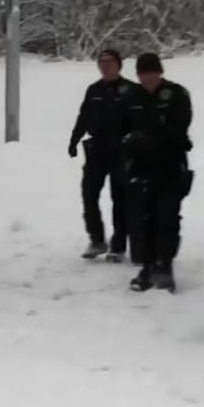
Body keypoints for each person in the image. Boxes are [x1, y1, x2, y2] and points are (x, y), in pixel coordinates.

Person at [120, 53, 193, 293]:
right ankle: (147, 267)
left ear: (159, 72)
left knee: (167, 217)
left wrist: (148, 140)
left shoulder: (176, 94)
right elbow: (122, 129)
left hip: (171, 166)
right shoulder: (131, 97)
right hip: (141, 168)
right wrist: (129, 147)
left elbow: (178, 129)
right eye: (143, 73)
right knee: (144, 219)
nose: (147, 78)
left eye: (151, 72)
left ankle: (165, 265)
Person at [68, 49, 138, 262]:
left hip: (122, 150)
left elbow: (141, 120)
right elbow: (83, 116)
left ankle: (118, 245)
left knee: (120, 198)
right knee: (89, 194)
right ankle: (97, 239)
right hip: (97, 149)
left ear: (118, 64)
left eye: (109, 62)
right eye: (101, 62)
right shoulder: (94, 90)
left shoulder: (131, 90)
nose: (105, 66)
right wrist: (74, 140)